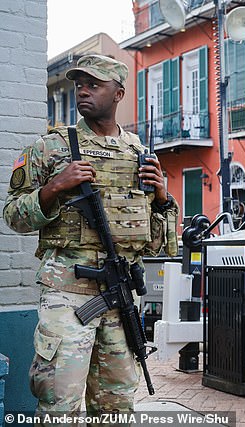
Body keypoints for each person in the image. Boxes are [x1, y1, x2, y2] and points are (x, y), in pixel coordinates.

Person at [3, 55, 179, 418]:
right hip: (67, 297)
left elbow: (155, 242)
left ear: (118, 93)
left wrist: (162, 198)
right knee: (58, 406)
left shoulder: (139, 154)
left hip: (120, 298)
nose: (83, 91)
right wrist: (55, 187)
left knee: (116, 407)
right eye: (79, 84)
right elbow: (13, 216)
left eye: (94, 85)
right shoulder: (51, 149)